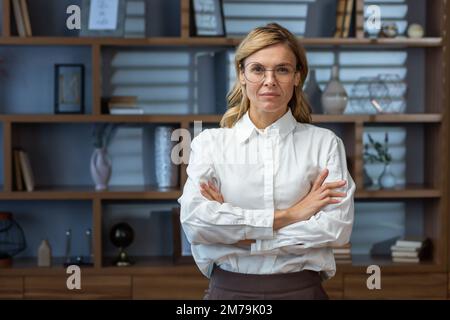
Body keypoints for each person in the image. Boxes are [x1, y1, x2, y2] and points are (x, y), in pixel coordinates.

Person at [177, 23, 355, 300]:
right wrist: (293, 214)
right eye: (258, 69)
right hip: (228, 294)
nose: (269, 80)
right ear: (242, 74)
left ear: (297, 77)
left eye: (282, 69)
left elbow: (336, 229)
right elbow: (195, 224)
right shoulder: (210, 144)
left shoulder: (324, 144)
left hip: (302, 292)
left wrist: (237, 231)